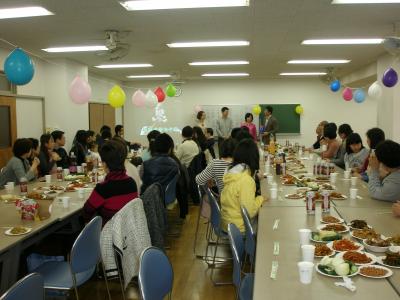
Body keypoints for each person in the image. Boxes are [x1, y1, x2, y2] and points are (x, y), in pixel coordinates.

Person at [83, 140, 138, 225]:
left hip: (108, 234)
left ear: (104, 164)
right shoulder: (132, 183)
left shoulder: (103, 188)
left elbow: (86, 212)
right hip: (129, 230)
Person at [220, 138, 265, 233]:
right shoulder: (246, 180)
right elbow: (250, 211)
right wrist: (260, 199)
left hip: (228, 223)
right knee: (267, 224)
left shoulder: (232, 172)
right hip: (239, 228)